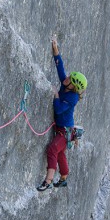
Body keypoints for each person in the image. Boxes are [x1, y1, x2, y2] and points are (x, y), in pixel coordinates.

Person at [36, 38, 87, 192]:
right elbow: (60, 68)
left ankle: (48, 181)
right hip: (64, 130)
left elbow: (58, 110)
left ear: (73, 86)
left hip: (65, 131)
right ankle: (64, 177)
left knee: (52, 149)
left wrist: (56, 96)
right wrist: (55, 48)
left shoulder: (72, 98)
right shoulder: (67, 85)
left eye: (70, 79)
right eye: (69, 77)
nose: (67, 78)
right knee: (59, 153)